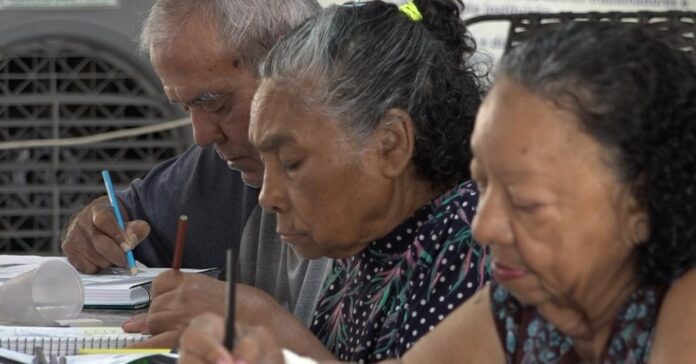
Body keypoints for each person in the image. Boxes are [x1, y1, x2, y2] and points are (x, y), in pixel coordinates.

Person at [179, 21, 696, 363]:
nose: (483, 224)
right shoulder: (518, 307)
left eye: (527, 201)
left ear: (640, 204)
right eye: (484, 184)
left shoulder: (682, 310)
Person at [180, 0, 489, 363]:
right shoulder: (366, 243)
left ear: (390, 144)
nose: (267, 197)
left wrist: (272, 327)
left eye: (291, 163)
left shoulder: (471, 239)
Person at [61, 0, 332, 352]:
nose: (202, 136)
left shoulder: (426, 231)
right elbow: (125, 222)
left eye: (216, 103)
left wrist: (261, 323)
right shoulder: (221, 170)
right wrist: (96, 231)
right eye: (186, 107)